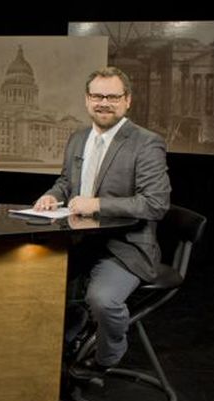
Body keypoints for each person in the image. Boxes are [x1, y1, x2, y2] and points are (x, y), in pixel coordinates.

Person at [33, 67, 171, 379]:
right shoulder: (78, 138)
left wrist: (96, 205)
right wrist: (52, 195)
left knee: (103, 300)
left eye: (112, 97)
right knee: (34, 280)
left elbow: (155, 203)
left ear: (128, 101)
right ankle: (63, 345)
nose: (104, 103)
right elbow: (67, 183)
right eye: (97, 96)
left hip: (126, 247)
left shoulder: (146, 143)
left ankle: (107, 356)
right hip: (80, 242)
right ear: (87, 100)